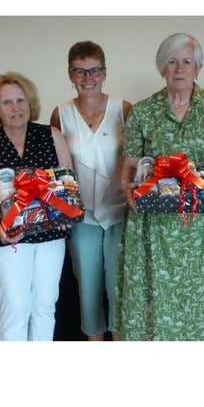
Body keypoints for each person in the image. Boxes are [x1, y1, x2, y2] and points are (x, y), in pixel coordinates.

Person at [114, 32, 204, 341]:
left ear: (198, 68)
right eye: (172, 61)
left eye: (187, 61)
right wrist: (126, 187)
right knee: (154, 297)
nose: (179, 68)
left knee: (199, 299)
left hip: (200, 222)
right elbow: (131, 163)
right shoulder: (144, 111)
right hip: (152, 222)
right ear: (162, 67)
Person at [0, 72, 75, 341]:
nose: (16, 108)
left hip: (50, 236)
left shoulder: (52, 135)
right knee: (16, 308)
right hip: (6, 238)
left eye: (20, 100)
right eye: (7, 103)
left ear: (30, 103)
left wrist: (67, 213)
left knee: (44, 307)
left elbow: (68, 186)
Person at [50, 41, 132, 341]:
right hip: (80, 217)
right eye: (80, 71)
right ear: (70, 75)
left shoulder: (123, 109)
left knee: (118, 288)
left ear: (105, 72)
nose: (88, 78)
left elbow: (136, 160)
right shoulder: (61, 113)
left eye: (94, 70)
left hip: (119, 212)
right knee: (88, 289)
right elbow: (57, 172)